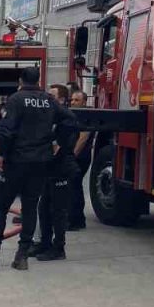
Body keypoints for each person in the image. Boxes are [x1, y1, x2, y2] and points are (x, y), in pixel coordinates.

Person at [0, 66, 68, 272]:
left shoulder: (16, 99)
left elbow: (6, 131)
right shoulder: (49, 100)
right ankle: (22, 256)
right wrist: (56, 141)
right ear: (38, 79)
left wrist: (1, 154)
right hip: (40, 162)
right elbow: (69, 119)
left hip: (16, 162)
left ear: (20, 80)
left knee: (0, 207)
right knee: (30, 207)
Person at [31, 84, 79, 261]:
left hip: (62, 169)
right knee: (43, 209)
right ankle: (44, 243)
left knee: (57, 211)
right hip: (48, 170)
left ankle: (59, 248)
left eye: (51, 97)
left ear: (62, 100)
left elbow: (56, 147)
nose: (47, 100)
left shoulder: (67, 119)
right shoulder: (48, 117)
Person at [64, 89, 93, 231]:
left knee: (73, 187)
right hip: (75, 157)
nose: (73, 102)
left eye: (77, 100)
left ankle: (74, 221)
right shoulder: (74, 115)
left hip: (80, 157)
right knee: (74, 187)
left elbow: (83, 138)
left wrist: (71, 156)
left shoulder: (86, 115)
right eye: (72, 100)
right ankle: (77, 219)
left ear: (84, 102)